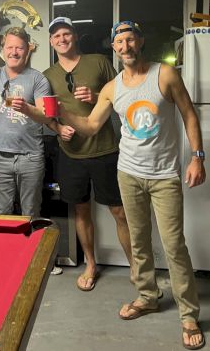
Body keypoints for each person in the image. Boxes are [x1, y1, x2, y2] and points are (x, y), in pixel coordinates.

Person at [60, 21, 206, 350]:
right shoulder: (112, 87)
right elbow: (91, 125)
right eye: (119, 42)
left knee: (174, 246)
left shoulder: (165, 74)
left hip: (164, 175)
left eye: (130, 39)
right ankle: (148, 296)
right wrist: (61, 114)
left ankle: (188, 314)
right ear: (114, 48)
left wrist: (197, 157)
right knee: (138, 242)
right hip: (127, 172)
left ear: (140, 41)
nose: (125, 46)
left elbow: (189, 114)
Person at [43, 17, 133, 291]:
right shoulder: (47, 76)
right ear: (50, 41)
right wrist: (58, 128)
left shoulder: (99, 62)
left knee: (119, 210)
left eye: (66, 33)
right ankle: (91, 264)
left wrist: (95, 97)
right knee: (81, 211)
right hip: (71, 154)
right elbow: (48, 114)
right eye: (56, 35)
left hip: (105, 149)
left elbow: (123, 97)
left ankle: (136, 265)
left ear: (76, 36)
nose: (62, 39)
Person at [0, 27, 52, 218]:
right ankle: (3, 249)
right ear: (3, 49)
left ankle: (32, 249)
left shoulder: (38, 79)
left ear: (28, 50)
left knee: (31, 213)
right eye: (10, 47)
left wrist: (26, 108)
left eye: (20, 48)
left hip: (31, 157)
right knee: (0, 215)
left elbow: (46, 116)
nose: (14, 52)